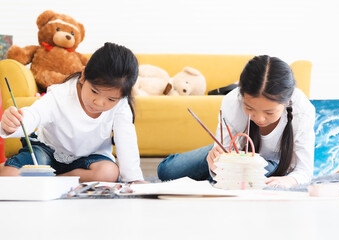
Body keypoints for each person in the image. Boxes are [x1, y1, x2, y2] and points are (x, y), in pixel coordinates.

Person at [157, 55, 315, 188]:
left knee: (256, 176)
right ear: (242, 95)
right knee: (167, 172)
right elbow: (223, 156)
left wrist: (290, 180)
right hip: (236, 156)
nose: (259, 118)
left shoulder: (302, 110)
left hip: (273, 163)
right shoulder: (232, 102)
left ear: (286, 102)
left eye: (269, 112)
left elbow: (304, 170)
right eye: (249, 108)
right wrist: (216, 166)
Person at [0, 42, 144, 183]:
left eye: (111, 99)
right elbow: (35, 114)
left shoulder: (121, 105)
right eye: (94, 91)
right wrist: (14, 123)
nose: (99, 102)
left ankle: (55, 181)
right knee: (9, 175)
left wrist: (134, 179)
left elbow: (126, 139)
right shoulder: (61, 94)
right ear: (83, 76)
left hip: (90, 158)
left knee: (109, 172)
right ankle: (45, 178)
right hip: (47, 151)